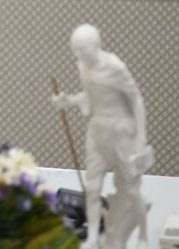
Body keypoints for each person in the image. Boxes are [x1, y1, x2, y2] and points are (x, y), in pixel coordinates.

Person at [52, 24, 152, 249]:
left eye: (82, 49)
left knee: (132, 188)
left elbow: (136, 99)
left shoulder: (115, 68)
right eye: (75, 50)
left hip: (120, 131)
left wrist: (140, 137)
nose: (78, 54)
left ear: (96, 45)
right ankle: (93, 238)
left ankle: (143, 236)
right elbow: (91, 95)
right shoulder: (82, 65)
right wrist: (69, 101)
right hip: (96, 131)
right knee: (92, 188)